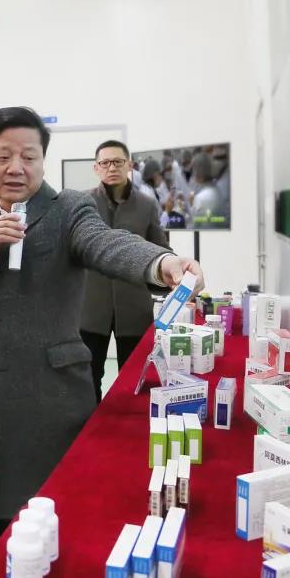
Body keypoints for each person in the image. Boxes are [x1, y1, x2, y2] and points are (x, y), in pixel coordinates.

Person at [0, 107, 203, 561]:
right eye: (3, 156)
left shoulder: (69, 209)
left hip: (44, 373)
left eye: (29, 157)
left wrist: (161, 263)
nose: (16, 167)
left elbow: (107, 243)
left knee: (42, 478)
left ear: (43, 161)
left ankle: (35, 539)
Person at [80, 140, 171, 402]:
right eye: (105, 163)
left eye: (117, 162)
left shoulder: (146, 204)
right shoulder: (82, 202)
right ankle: (91, 425)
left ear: (129, 165)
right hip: (90, 307)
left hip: (133, 306)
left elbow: (160, 249)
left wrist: (172, 270)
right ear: (96, 168)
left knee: (135, 381)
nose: (111, 168)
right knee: (88, 379)